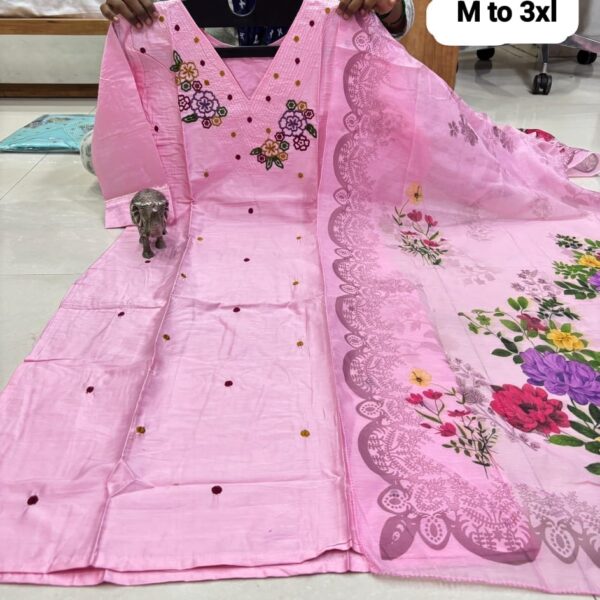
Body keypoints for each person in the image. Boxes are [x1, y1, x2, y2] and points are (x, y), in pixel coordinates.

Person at [99, 0, 414, 40]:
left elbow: (398, 19)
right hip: (226, 107)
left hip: (326, 104)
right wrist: (135, 10)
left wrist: (389, 6)